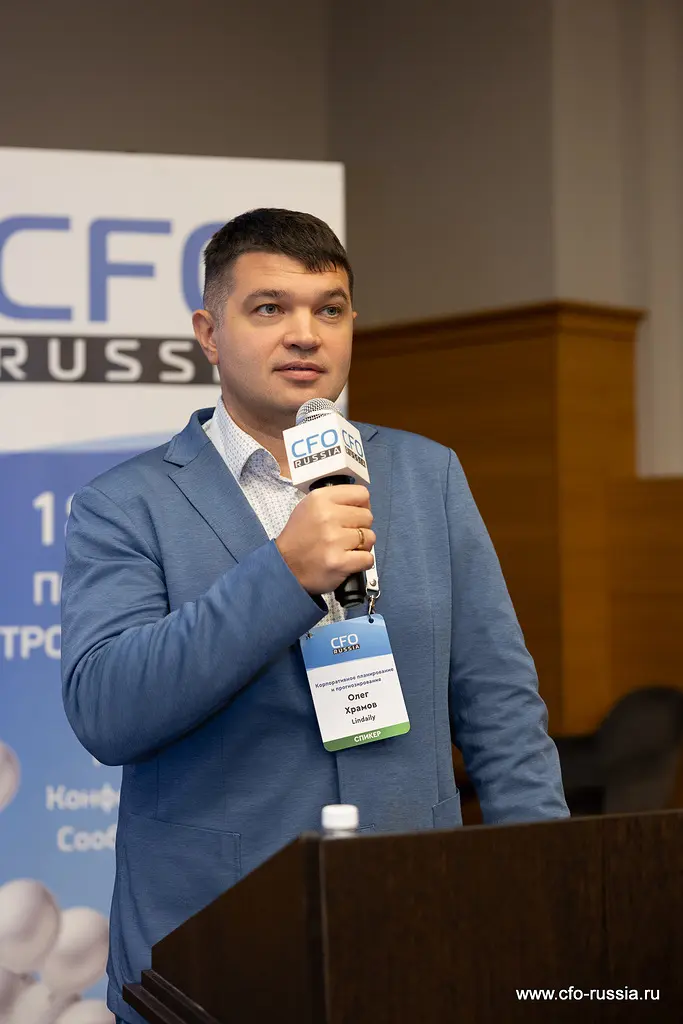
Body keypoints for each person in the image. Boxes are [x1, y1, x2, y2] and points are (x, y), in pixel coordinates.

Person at [60, 208, 569, 1024]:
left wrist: (552, 896)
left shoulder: (427, 474)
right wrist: (284, 575)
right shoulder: (125, 503)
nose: (304, 334)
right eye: (269, 308)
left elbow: (499, 707)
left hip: (418, 922)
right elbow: (107, 711)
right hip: (211, 948)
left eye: (328, 309)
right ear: (209, 333)